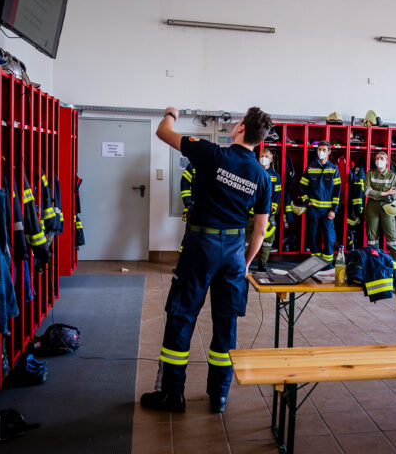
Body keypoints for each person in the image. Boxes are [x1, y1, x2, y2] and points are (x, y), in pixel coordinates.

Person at [141, 106, 273, 414]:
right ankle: (219, 396)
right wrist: (244, 262)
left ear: (241, 128)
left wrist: (171, 114)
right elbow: (260, 230)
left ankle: (172, 394)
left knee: (182, 316)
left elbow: (163, 132)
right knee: (226, 324)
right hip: (234, 251)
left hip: (201, 245)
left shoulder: (211, 153)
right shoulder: (262, 177)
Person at [299, 141, 341, 267]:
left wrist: (333, 210)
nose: (321, 152)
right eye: (319, 149)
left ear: (329, 152)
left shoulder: (334, 169)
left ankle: (328, 266)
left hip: (328, 212)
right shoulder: (311, 168)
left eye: (324, 150)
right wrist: (307, 201)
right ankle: (316, 265)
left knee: (328, 238)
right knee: (313, 237)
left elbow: (337, 191)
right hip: (314, 210)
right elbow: (302, 187)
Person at [363, 151, 396, 266]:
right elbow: (367, 192)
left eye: (382, 158)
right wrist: (385, 193)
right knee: (372, 240)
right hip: (372, 208)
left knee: (392, 240)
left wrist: (376, 194)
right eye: (377, 158)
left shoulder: (392, 175)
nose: (379, 160)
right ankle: (375, 265)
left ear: (387, 161)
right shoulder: (370, 174)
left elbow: (393, 195)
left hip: (387, 208)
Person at [246, 148, 282, 271]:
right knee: (246, 238)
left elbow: (276, 196)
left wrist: (271, 212)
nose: (264, 158)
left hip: (268, 213)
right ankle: (243, 262)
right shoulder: (253, 172)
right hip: (251, 213)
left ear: (271, 160)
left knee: (268, 239)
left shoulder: (275, 176)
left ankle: (263, 263)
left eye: (266, 156)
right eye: (262, 156)